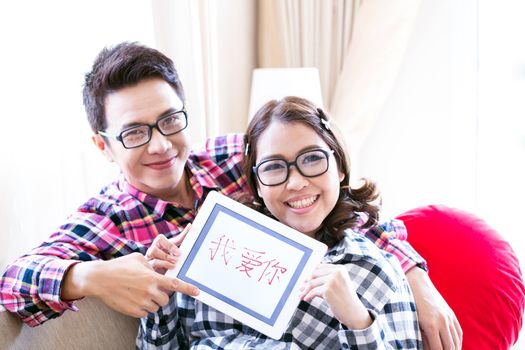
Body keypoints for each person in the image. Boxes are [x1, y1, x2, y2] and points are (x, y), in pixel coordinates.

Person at [0, 42, 460, 349]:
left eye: (169, 121)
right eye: (135, 133)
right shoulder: (106, 219)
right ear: (104, 146)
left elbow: (337, 199)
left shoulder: (234, 156)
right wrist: (92, 278)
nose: (161, 145)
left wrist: (417, 279)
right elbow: (13, 282)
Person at [137, 96, 424, 348]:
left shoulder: (375, 269)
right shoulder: (215, 247)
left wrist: (359, 321)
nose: (297, 182)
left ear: (339, 169)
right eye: (274, 167)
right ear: (258, 186)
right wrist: (157, 287)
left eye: (312, 159)